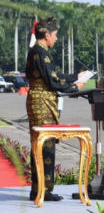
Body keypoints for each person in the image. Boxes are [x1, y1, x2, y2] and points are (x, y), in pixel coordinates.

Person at [25, 17, 88, 201]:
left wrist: (75, 76)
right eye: (55, 35)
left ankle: (41, 189)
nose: (56, 39)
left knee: (44, 144)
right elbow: (53, 81)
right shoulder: (40, 53)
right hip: (41, 101)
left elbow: (54, 75)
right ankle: (42, 190)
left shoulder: (39, 52)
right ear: (46, 35)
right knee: (45, 145)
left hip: (42, 100)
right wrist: (75, 87)